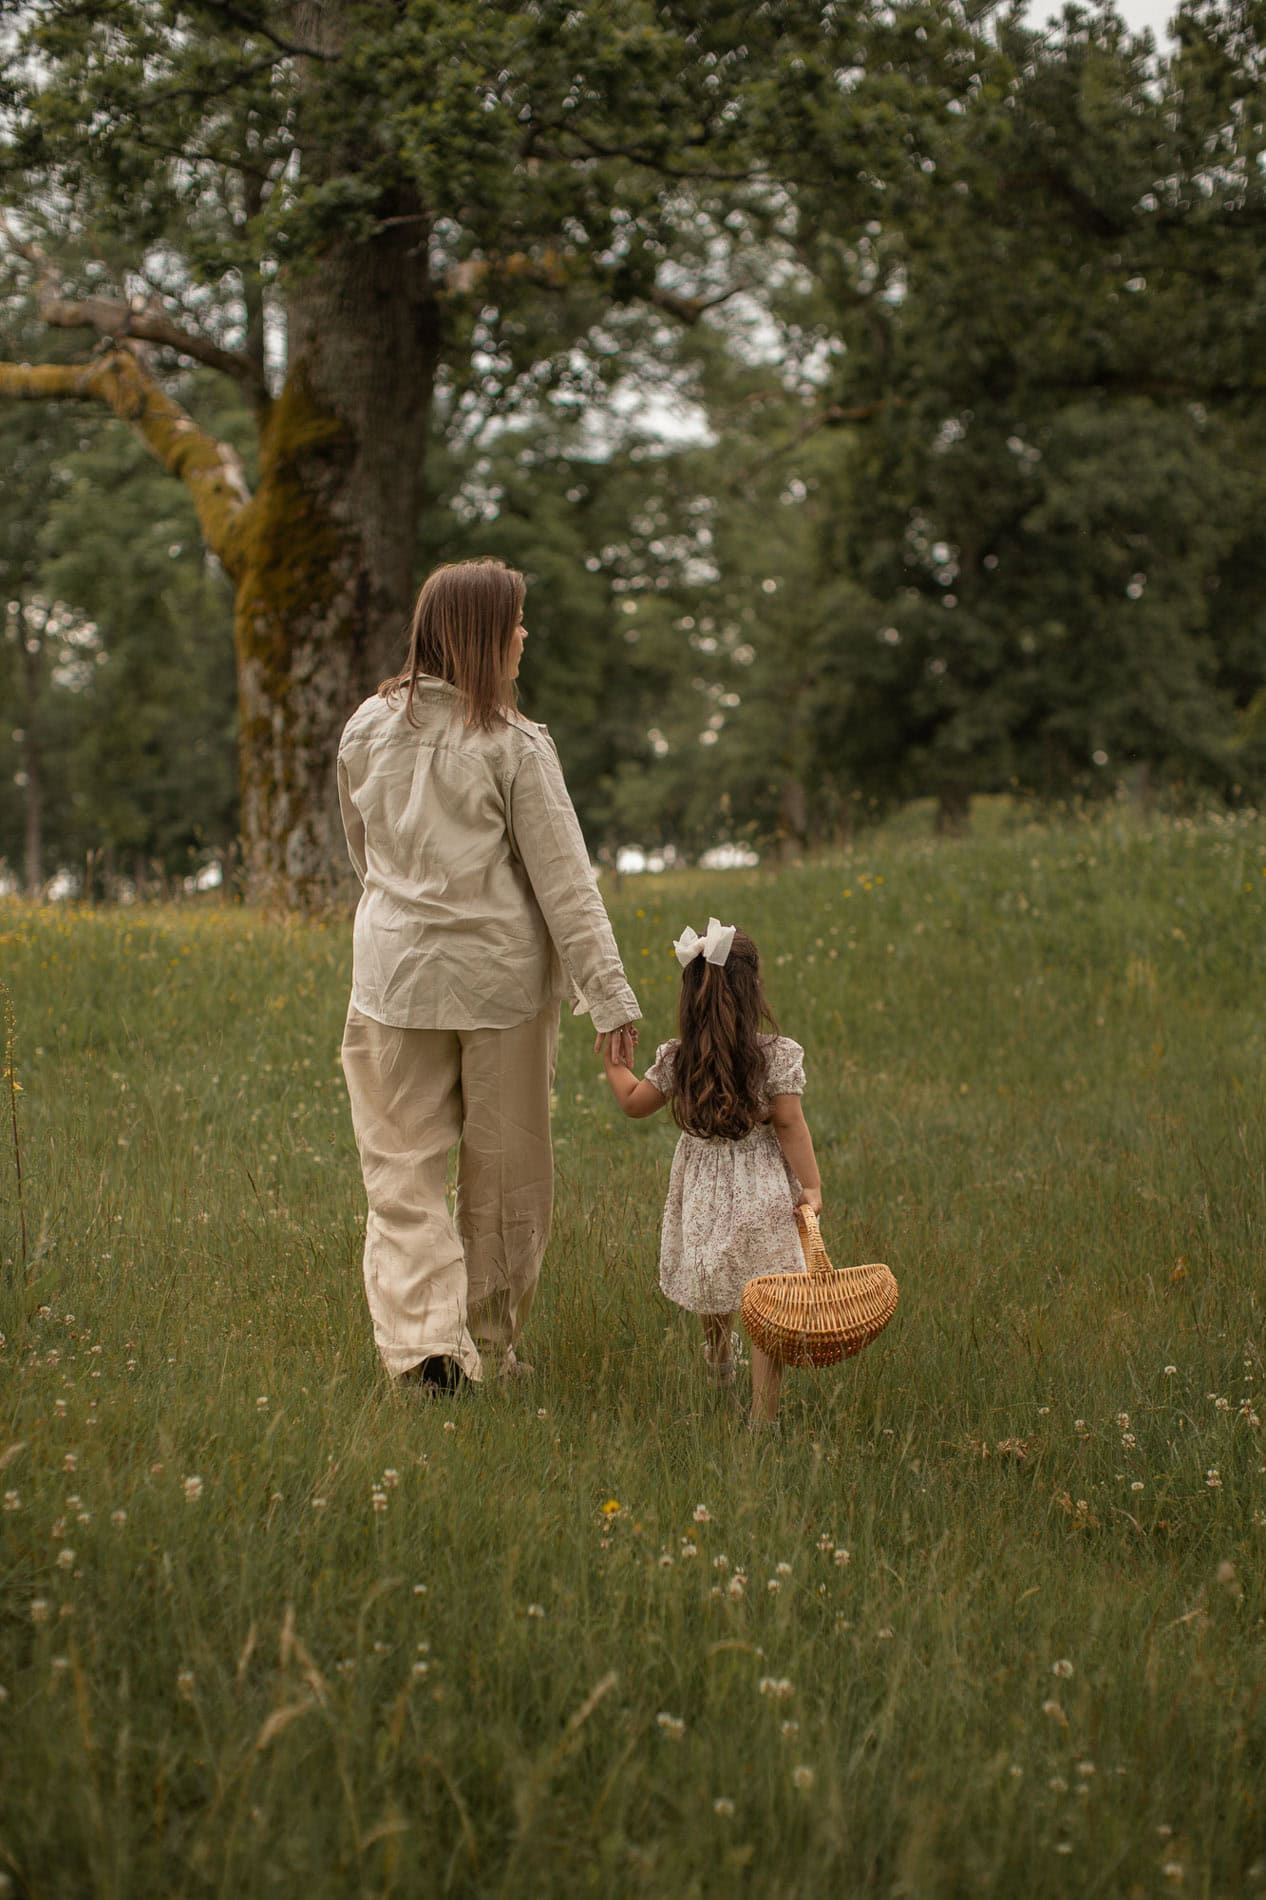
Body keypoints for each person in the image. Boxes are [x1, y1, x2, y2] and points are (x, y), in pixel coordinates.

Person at [338, 558, 640, 1394]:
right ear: (481, 635)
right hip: (498, 986)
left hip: (393, 979)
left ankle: (424, 1347)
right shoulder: (514, 742)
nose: (523, 637)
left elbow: (365, 854)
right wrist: (609, 996)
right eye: (514, 624)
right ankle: (488, 1345)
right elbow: (565, 883)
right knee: (507, 1172)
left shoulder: (365, 727)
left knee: (401, 1170)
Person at [601, 916, 821, 1425]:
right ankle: (763, 1416)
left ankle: (720, 1360)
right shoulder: (774, 1056)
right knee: (766, 1296)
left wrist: (616, 1062)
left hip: (703, 1188)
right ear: (753, 991)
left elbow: (634, 1104)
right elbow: (789, 1123)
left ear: (690, 997)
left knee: (713, 1275)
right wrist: (810, 1186)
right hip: (764, 1187)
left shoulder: (680, 1059)